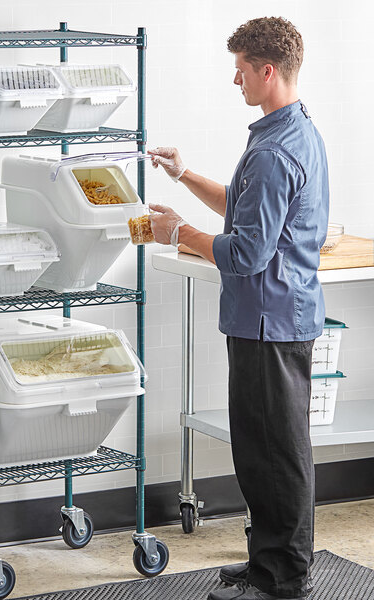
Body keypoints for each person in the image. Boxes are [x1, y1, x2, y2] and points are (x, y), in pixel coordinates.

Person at [149, 17, 329, 600]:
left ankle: (281, 579)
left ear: (267, 70)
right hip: (269, 318)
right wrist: (184, 177)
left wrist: (178, 233)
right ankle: (265, 563)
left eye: (242, 69)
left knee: (275, 456)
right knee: (261, 451)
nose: (236, 79)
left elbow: (247, 250)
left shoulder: (277, 151)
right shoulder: (287, 133)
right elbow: (245, 209)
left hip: (269, 320)